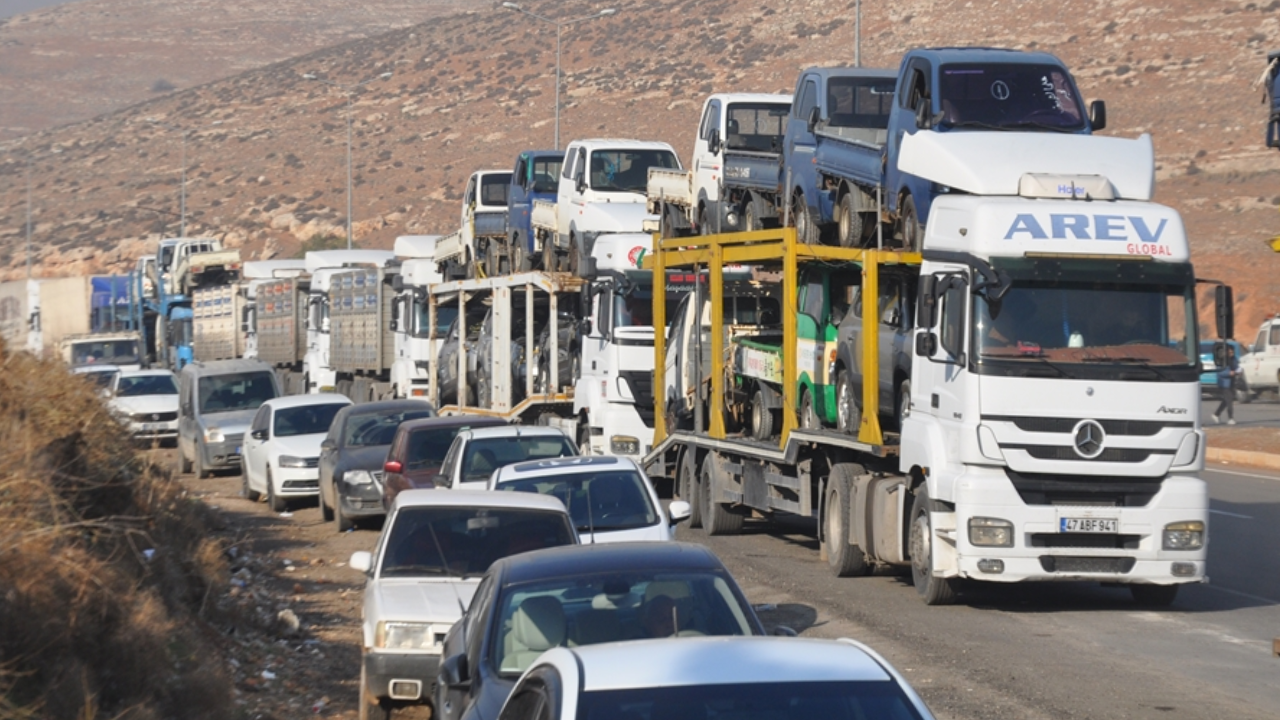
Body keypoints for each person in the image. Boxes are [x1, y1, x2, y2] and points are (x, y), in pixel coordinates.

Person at [1213, 344, 1239, 425]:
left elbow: (1236, 367)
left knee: (1227, 400)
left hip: (1232, 382)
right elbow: (1219, 372)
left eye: (1232, 351)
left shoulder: (1234, 359)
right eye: (1229, 350)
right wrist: (1228, 373)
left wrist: (1238, 371)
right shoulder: (1222, 360)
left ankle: (1216, 414)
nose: (1231, 352)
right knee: (1229, 400)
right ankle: (1230, 418)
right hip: (1224, 383)